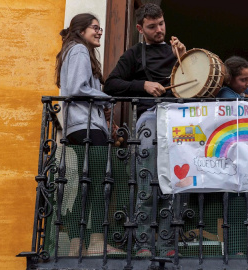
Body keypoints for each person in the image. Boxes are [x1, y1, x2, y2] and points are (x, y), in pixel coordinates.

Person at [103, 3, 186, 257]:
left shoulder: (177, 51)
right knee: (147, 180)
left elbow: (198, 82)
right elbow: (111, 84)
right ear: (140, 28)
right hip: (150, 118)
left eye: (161, 23)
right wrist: (144, 85)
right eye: (152, 26)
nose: (159, 30)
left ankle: (167, 243)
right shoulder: (134, 54)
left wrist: (186, 58)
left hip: (178, 119)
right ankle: (143, 243)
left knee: (175, 182)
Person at [55, 13, 123, 256]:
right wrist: (109, 100)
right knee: (101, 183)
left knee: (86, 184)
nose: (100, 32)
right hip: (87, 126)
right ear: (81, 30)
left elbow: (78, 89)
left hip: (78, 126)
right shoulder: (80, 51)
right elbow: (77, 88)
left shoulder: (71, 51)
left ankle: (76, 244)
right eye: (95, 28)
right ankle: (95, 241)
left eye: (101, 28)